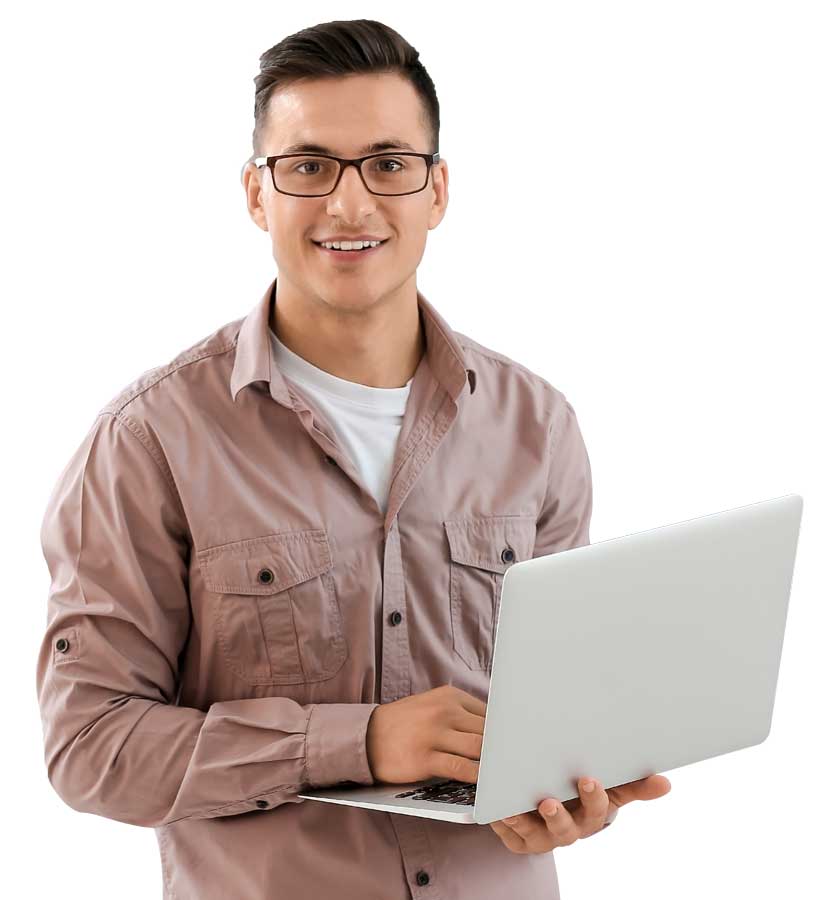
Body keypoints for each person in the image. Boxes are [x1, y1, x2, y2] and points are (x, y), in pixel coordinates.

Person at [35, 18, 670, 900]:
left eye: (387, 163)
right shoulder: (150, 440)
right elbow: (89, 746)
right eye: (308, 167)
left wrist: (568, 791)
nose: (349, 204)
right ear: (256, 194)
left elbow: (557, 711)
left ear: (435, 190)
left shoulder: (537, 425)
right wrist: (358, 742)